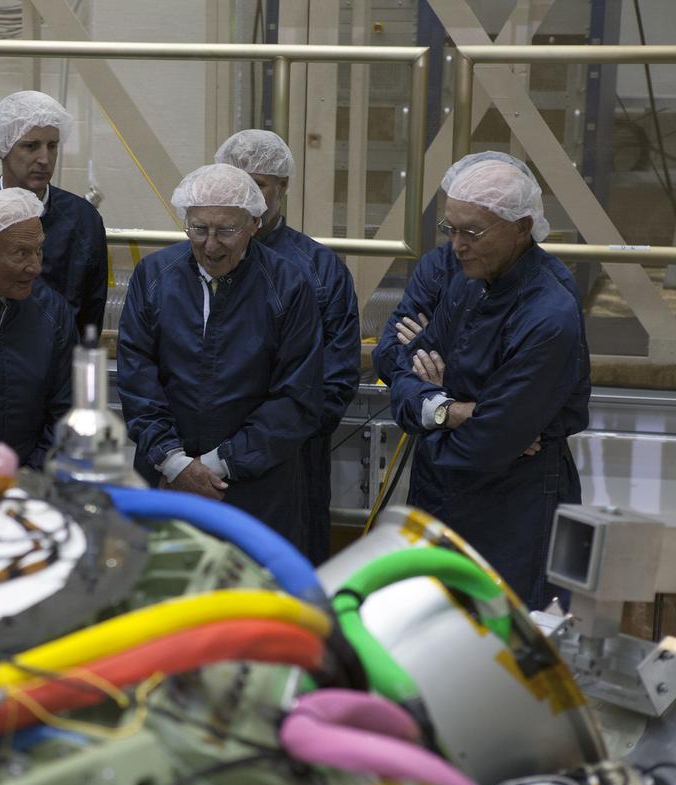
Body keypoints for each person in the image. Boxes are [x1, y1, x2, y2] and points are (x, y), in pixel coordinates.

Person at [386, 160, 589, 606]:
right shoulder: (471, 282)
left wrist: (433, 415)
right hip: (439, 497)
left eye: (472, 233)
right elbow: (400, 368)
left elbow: (485, 445)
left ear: (522, 227)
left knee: (502, 645)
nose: (456, 247)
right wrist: (449, 411)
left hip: (511, 506)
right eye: (450, 229)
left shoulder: (547, 314)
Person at [117, 164, 324, 549]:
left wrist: (215, 466)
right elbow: (136, 375)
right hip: (165, 480)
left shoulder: (289, 286)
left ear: (254, 223)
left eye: (225, 231)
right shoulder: (154, 276)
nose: (210, 245)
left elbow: (297, 396)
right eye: (199, 229)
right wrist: (173, 461)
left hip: (254, 488)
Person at [215, 129, 360, 565]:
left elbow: (335, 376)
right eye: (235, 181)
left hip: (291, 463)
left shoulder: (319, 270)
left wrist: (273, 440)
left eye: (257, 185)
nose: (245, 196)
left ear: (283, 188)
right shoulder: (192, 264)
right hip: (207, 461)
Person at [0, 188, 74, 469]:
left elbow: (66, 411)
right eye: (21, 253)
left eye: (38, 250)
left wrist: (32, 475)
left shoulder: (51, 312)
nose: (35, 267)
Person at [0, 91, 107, 335]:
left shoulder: (83, 221)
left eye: (52, 146)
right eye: (30, 146)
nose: (44, 159)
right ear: (0, 146)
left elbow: (91, 316)